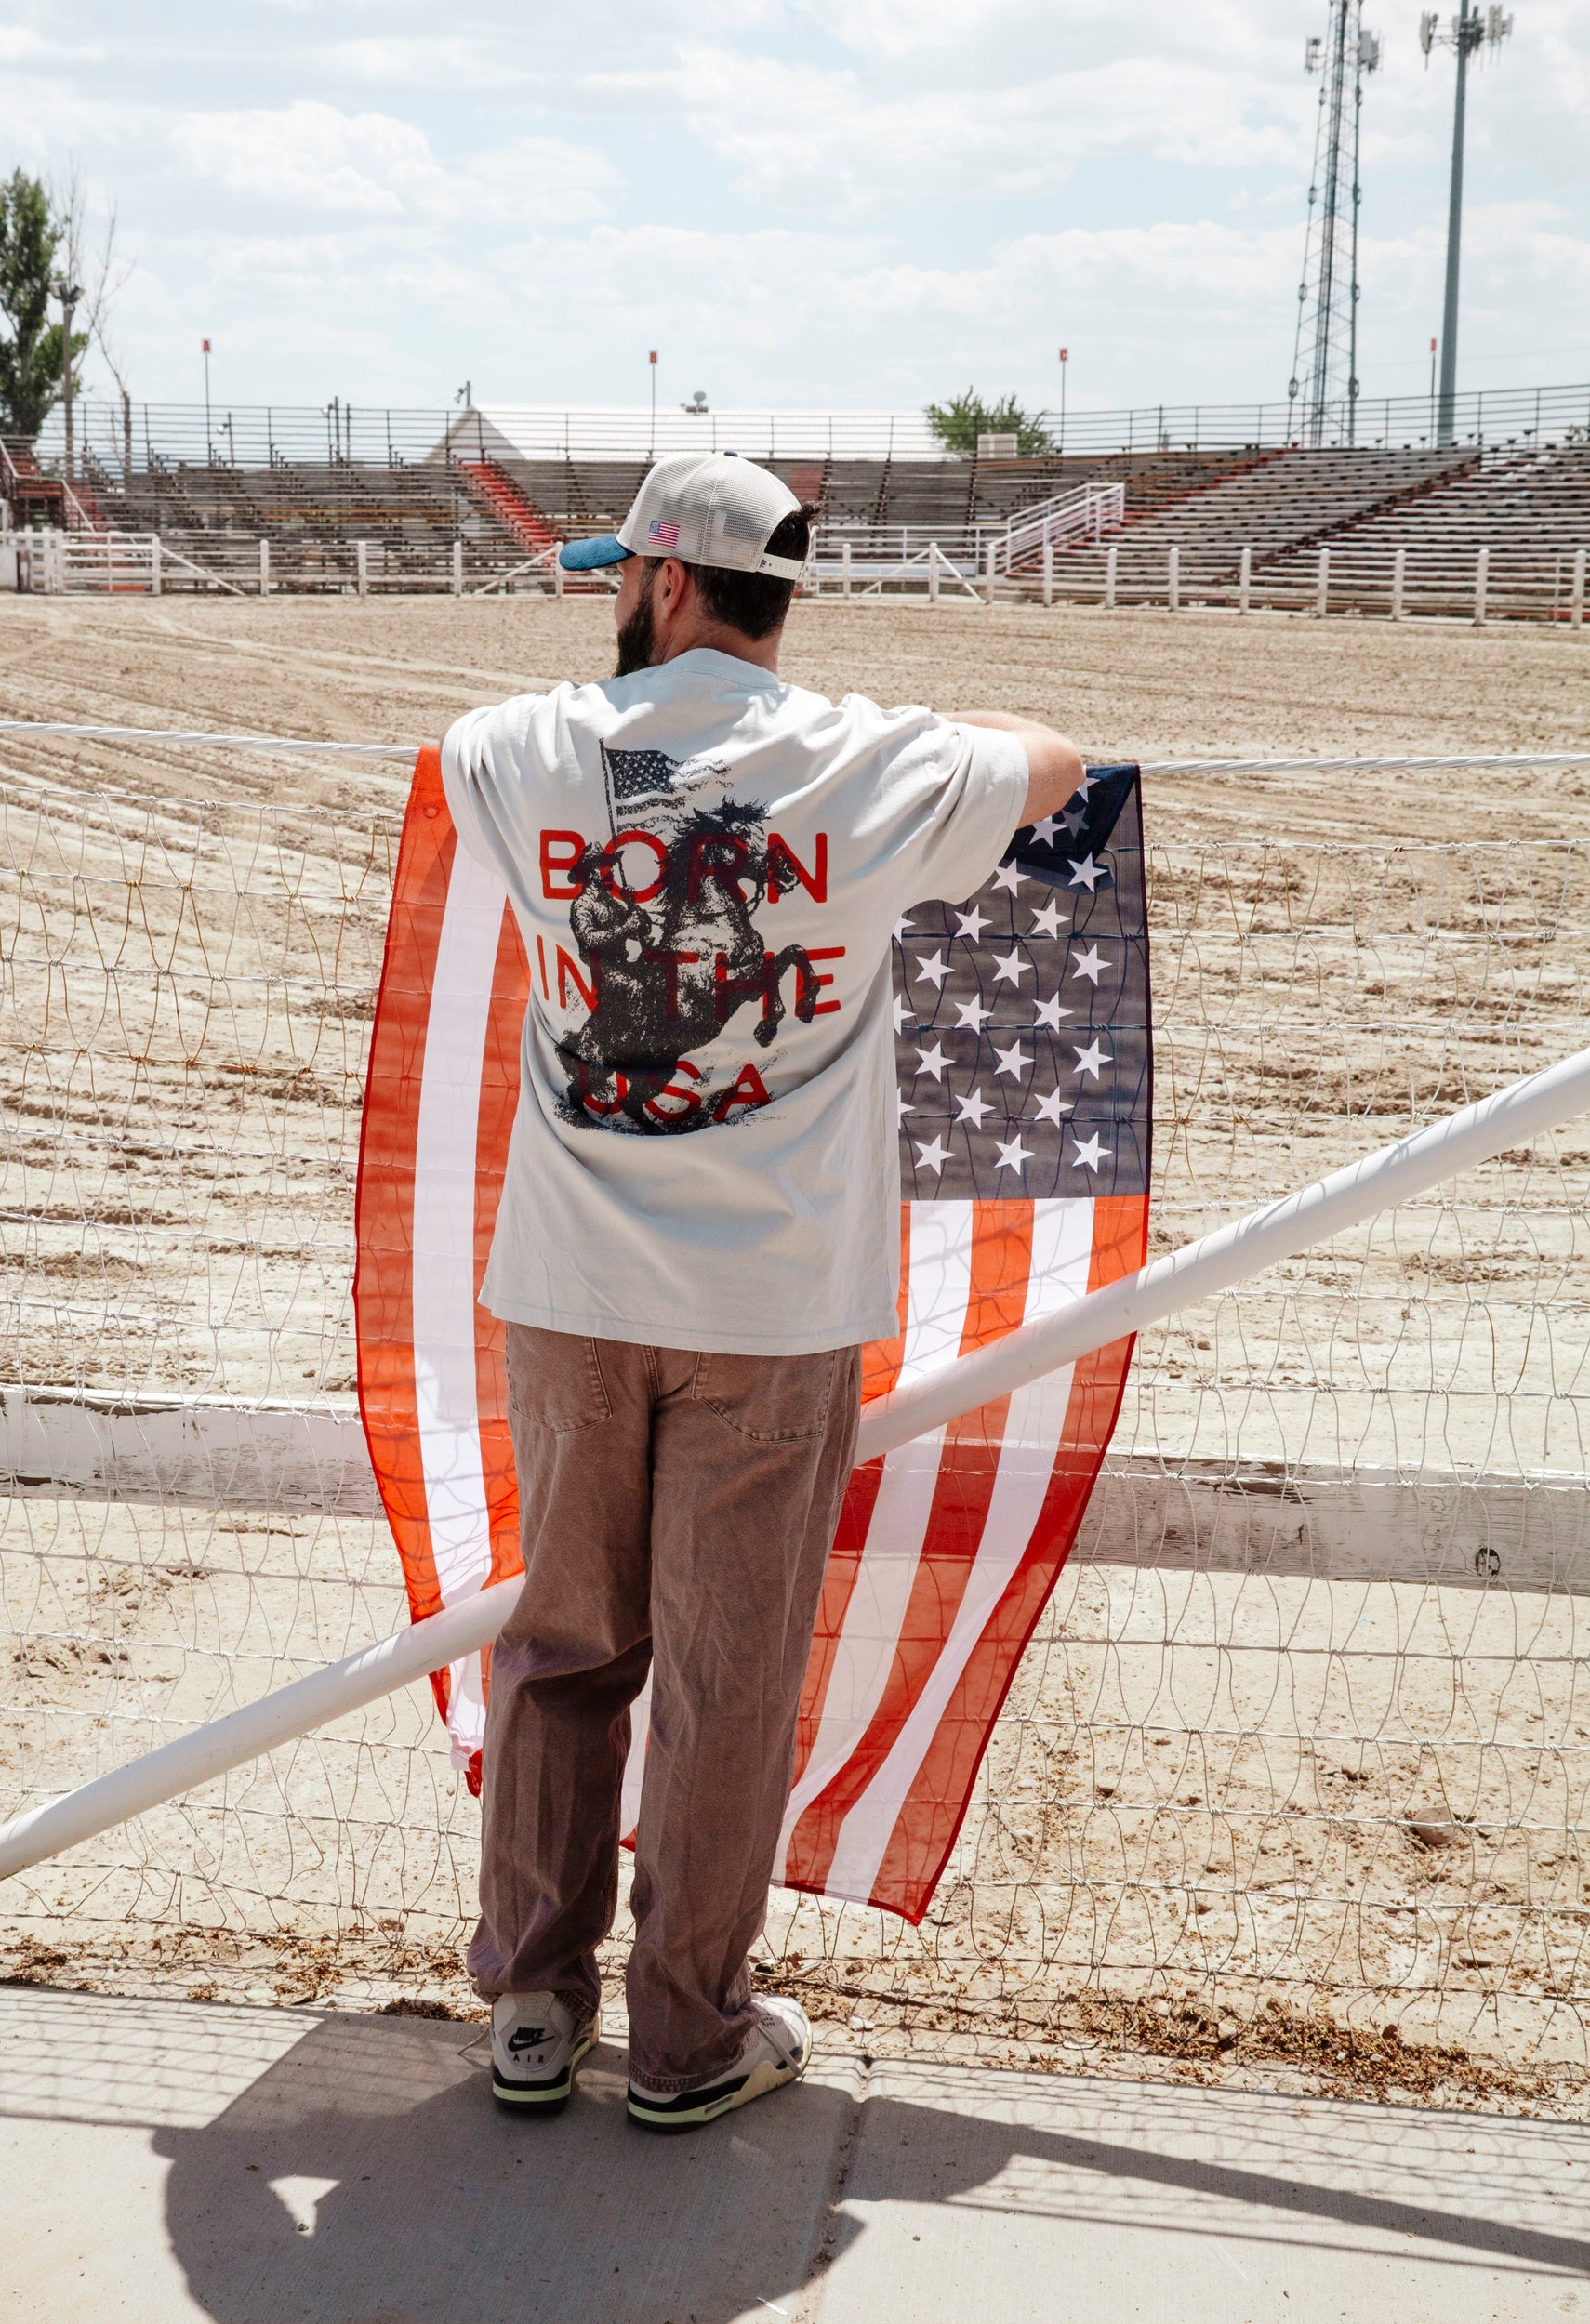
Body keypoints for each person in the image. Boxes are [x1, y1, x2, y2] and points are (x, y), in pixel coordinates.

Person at [436, 452, 1083, 2132]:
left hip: (572, 1291)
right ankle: (685, 2039)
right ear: (780, 599)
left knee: (565, 1646)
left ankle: (530, 2002)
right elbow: (1055, 762)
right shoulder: (866, 764)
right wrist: (878, 733)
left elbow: (467, 748)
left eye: (621, 582)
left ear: (656, 581)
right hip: (774, 1308)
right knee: (727, 1678)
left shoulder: (528, 749)